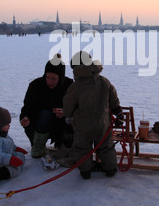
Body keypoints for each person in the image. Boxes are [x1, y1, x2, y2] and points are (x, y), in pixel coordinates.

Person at [63, 51, 123, 179]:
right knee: (105, 147)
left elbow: (68, 103)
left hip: (82, 126)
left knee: (82, 148)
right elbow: (113, 100)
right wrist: (118, 113)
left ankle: (86, 170)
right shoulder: (104, 82)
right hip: (103, 124)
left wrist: (68, 117)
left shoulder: (76, 86)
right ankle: (110, 168)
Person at [20, 54, 73, 158]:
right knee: (45, 114)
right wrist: (25, 117)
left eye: (53, 78)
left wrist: (65, 113)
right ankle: (38, 146)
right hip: (41, 123)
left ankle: (64, 144)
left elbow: (77, 107)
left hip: (62, 124)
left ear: (61, 77)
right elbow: (27, 107)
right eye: (47, 77)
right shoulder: (35, 86)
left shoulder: (69, 85)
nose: (49, 81)